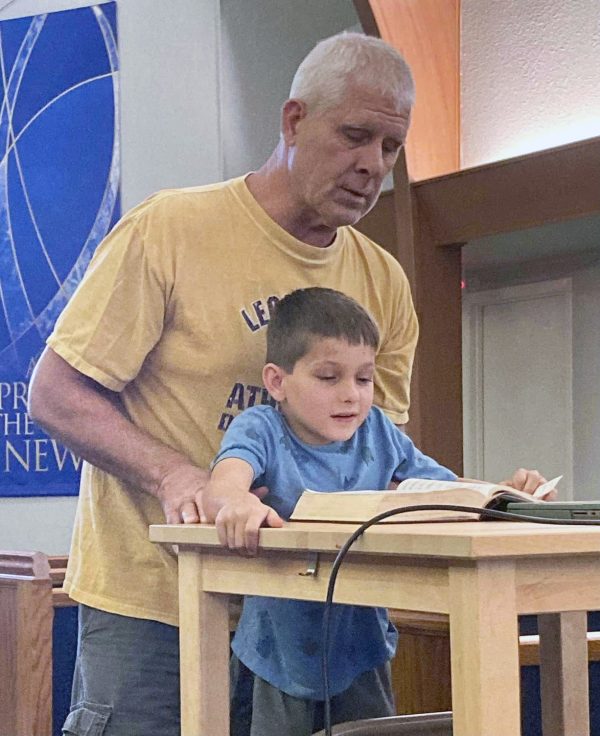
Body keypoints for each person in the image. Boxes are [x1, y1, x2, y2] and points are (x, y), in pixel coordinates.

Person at [27, 32, 423, 736]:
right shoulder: (171, 231)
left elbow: (379, 452)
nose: (372, 166)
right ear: (294, 120)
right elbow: (55, 393)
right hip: (155, 609)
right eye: (355, 136)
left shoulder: (383, 282)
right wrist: (178, 476)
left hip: (313, 623)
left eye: (390, 148)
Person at [203, 286, 552, 736]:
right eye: (329, 378)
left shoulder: (379, 431)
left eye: (363, 379)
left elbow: (441, 487)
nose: (351, 395)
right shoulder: (262, 428)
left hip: (362, 644)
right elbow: (223, 484)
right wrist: (237, 501)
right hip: (279, 650)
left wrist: (501, 491)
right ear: (277, 382)